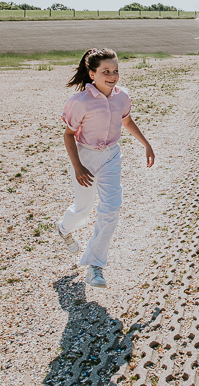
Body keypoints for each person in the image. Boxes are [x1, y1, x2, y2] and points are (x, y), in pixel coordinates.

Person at [56, 48, 155, 288]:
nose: (112, 76)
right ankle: (63, 228)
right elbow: (69, 135)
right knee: (83, 208)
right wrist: (78, 166)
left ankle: (94, 266)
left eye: (115, 71)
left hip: (111, 156)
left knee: (110, 209)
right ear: (92, 74)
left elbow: (127, 121)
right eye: (106, 71)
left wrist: (146, 144)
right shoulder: (79, 102)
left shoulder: (122, 96)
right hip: (85, 158)